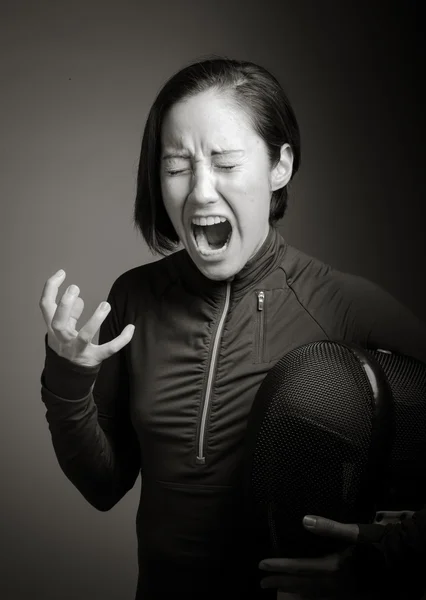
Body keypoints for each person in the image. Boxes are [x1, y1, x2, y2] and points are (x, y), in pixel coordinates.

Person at [39, 57, 426, 600]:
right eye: (177, 167)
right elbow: (103, 485)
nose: (199, 191)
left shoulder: (343, 303)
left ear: (279, 167)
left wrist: (386, 557)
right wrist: (67, 379)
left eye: (224, 162)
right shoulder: (134, 297)